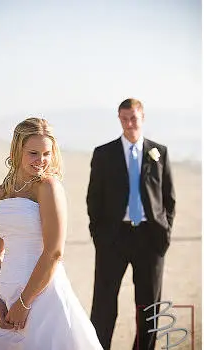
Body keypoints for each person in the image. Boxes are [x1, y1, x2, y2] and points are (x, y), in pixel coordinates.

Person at [0, 118, 103, 350]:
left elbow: (54, 252)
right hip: (4, 293)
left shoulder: (48, 187)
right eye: (33, 153)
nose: (41, 161)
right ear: (17, 150)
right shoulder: (1, 193)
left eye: (47, 154)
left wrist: (24, 303)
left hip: (41, 295)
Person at [86, 98, 176, 350]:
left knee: (149, 307)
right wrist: (99, 235)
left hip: (150, 238)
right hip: (113, 238)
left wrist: (164, 233)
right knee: (104, 303)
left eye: (133, 118)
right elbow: (93, 198)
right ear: (119, 119)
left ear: (142, 117)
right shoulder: (103, 153)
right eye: (124, 118)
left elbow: (169, 198)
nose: (129, 123)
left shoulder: (159, 152)